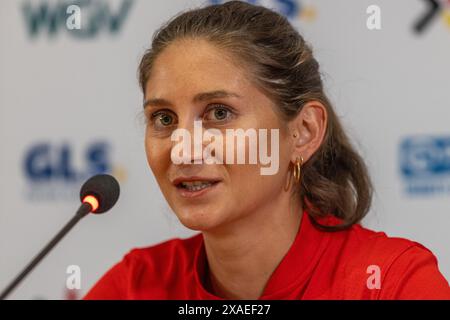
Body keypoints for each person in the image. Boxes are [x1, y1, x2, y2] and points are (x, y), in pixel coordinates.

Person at [84, 1, 450, 299]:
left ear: (303, 133)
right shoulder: (133, 286)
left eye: (219, 113)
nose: (183, 150)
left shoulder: (392, 283)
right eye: (164, 119)